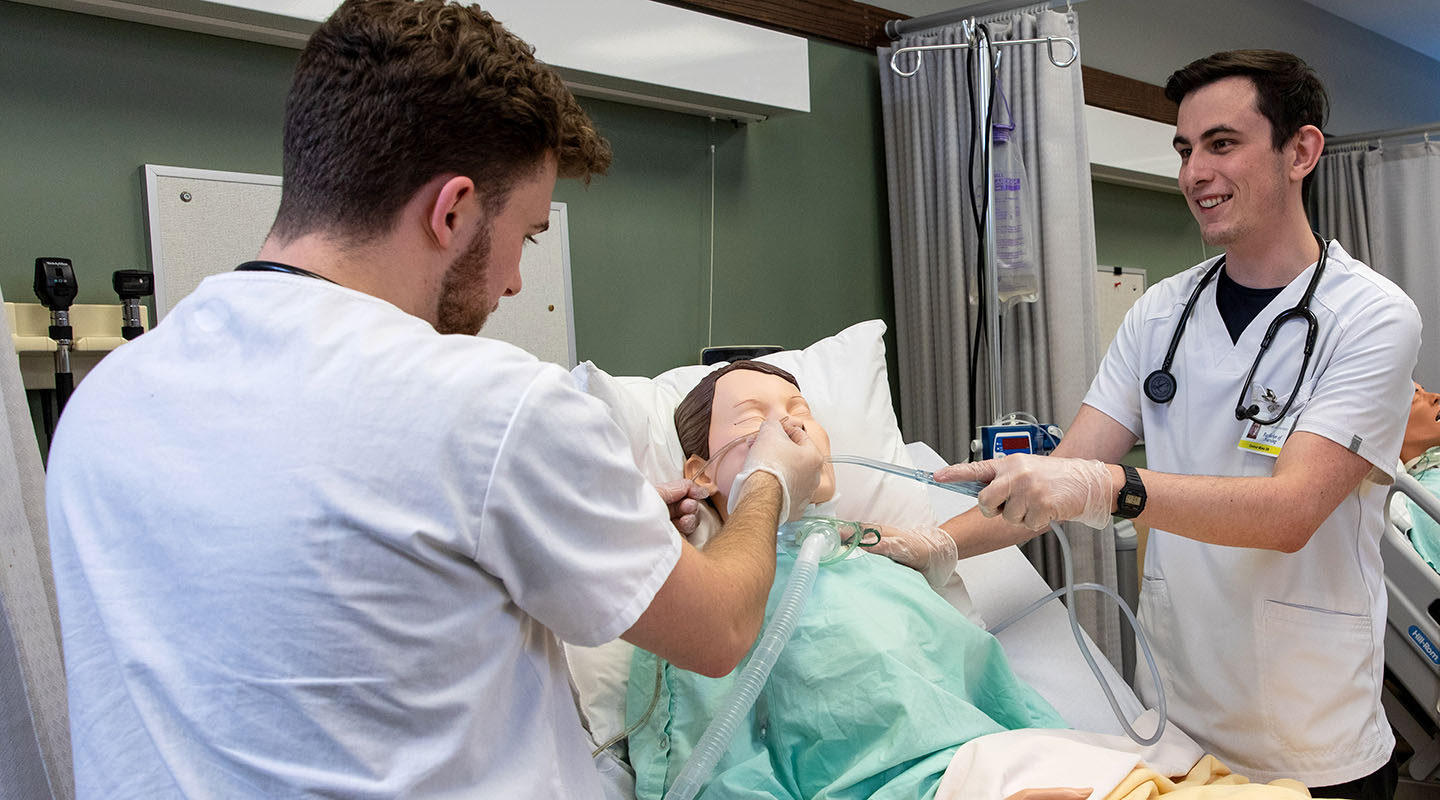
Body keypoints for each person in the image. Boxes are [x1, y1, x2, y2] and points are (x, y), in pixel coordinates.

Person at [42, 1, 823, 797]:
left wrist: (583, 526)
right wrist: (767, 480)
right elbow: (721, 630)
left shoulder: (109, 397)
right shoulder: (491, 403)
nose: (518, 279)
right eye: (524, 234)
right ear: (451, 210)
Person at [927, 51, 1422, 799]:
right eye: (1185, 149)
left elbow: (1291, 513)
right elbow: (1066, 472)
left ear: (1302, 152)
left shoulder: (1372, 316)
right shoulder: (1161, 310)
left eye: (1221, 144)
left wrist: (1106, 486)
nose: (1194, 172)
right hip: (1173, 725)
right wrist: (925, 546)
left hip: (1311, 734)